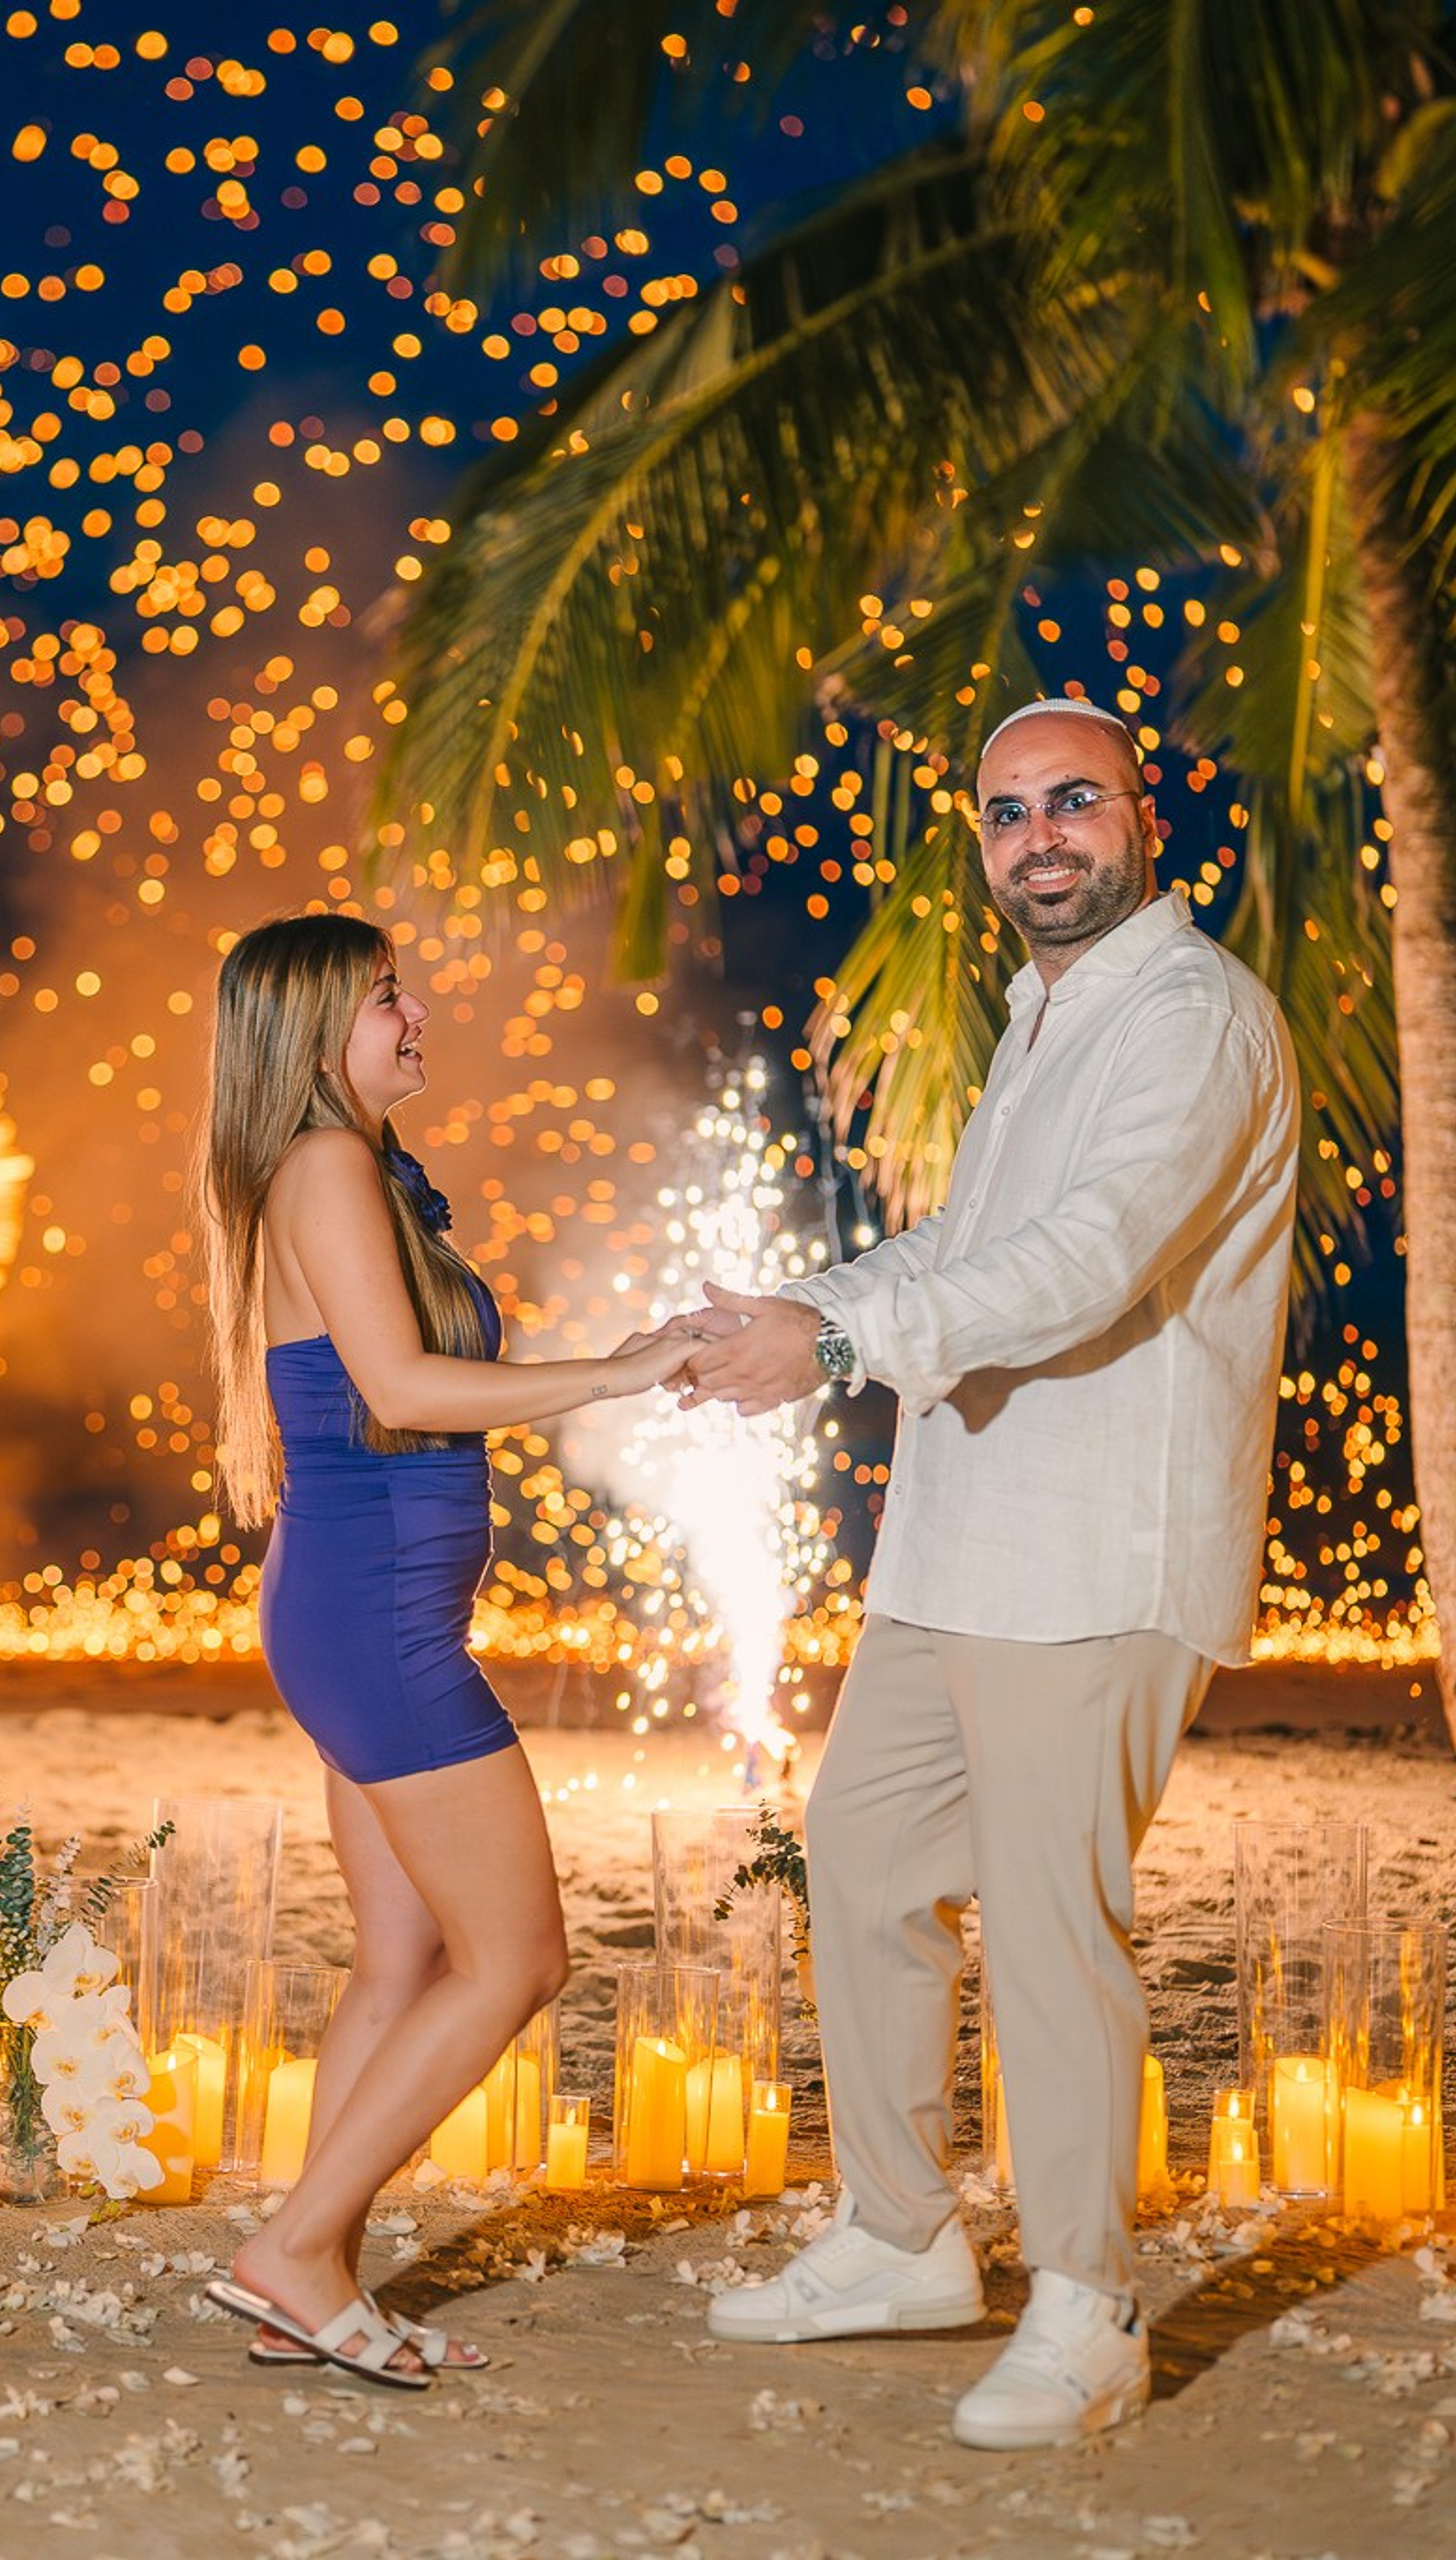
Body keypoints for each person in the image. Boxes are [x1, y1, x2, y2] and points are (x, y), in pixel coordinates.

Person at [679, 698, 1298, 2449]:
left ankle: (1091, 2310)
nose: (1039, 837)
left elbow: (1087, 1263)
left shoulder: (1192, 1017)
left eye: (1072, 804)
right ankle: (900, 2238)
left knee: (1050, 1924)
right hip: (962, 1543)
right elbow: (975, 1240)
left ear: (1142, 818)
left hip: (1098, 1550)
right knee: (864, 1853)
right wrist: (810, 1312)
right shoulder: (1049, 1012)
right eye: (1008, 812)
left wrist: (842, 1345)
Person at [193, 909, 694, 2390]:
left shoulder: (326, 1171)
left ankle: (307, 2269)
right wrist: (625, 1369)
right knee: (516, 1958)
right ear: (312, 1031)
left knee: (405, 1952)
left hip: (354, 1610)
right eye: (386, 1000)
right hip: (377, 1623)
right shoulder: (329, 1163)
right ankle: (292, 2253)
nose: (417, 1018)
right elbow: (404, 1384)